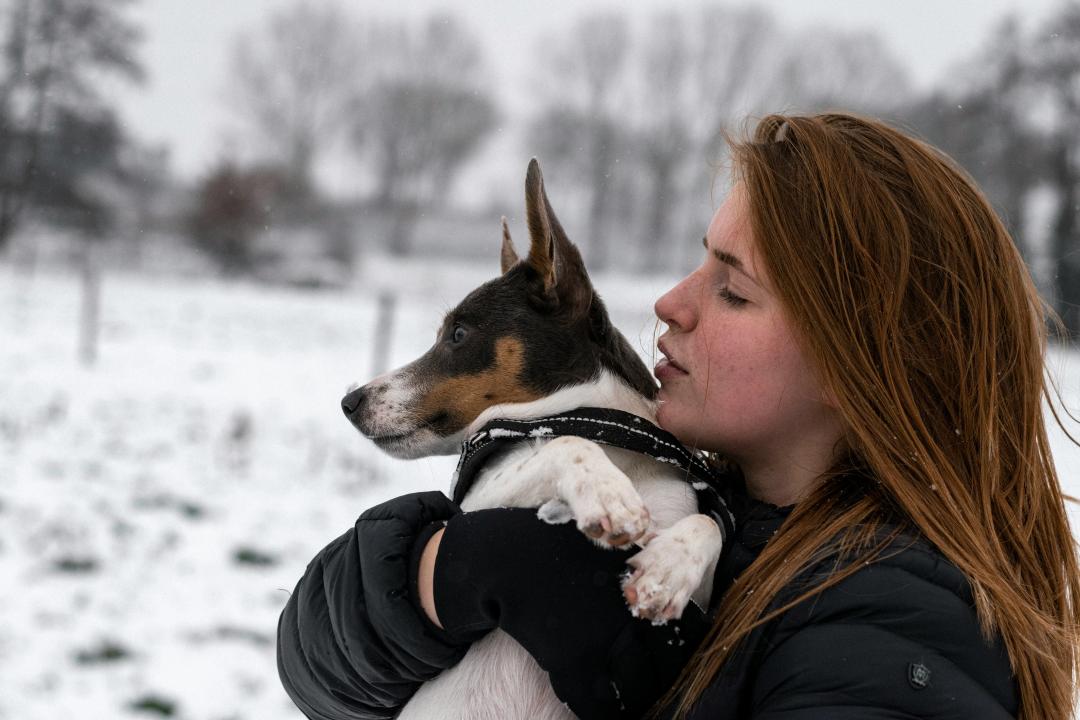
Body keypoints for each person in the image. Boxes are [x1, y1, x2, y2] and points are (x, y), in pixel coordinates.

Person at [276, 112, 1080, 720]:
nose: (668, 304)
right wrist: (442, 576)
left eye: (732, 289)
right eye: (699, 262)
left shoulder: (891, 631)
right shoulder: (715, 513)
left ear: (859, 367)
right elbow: (312, 665)